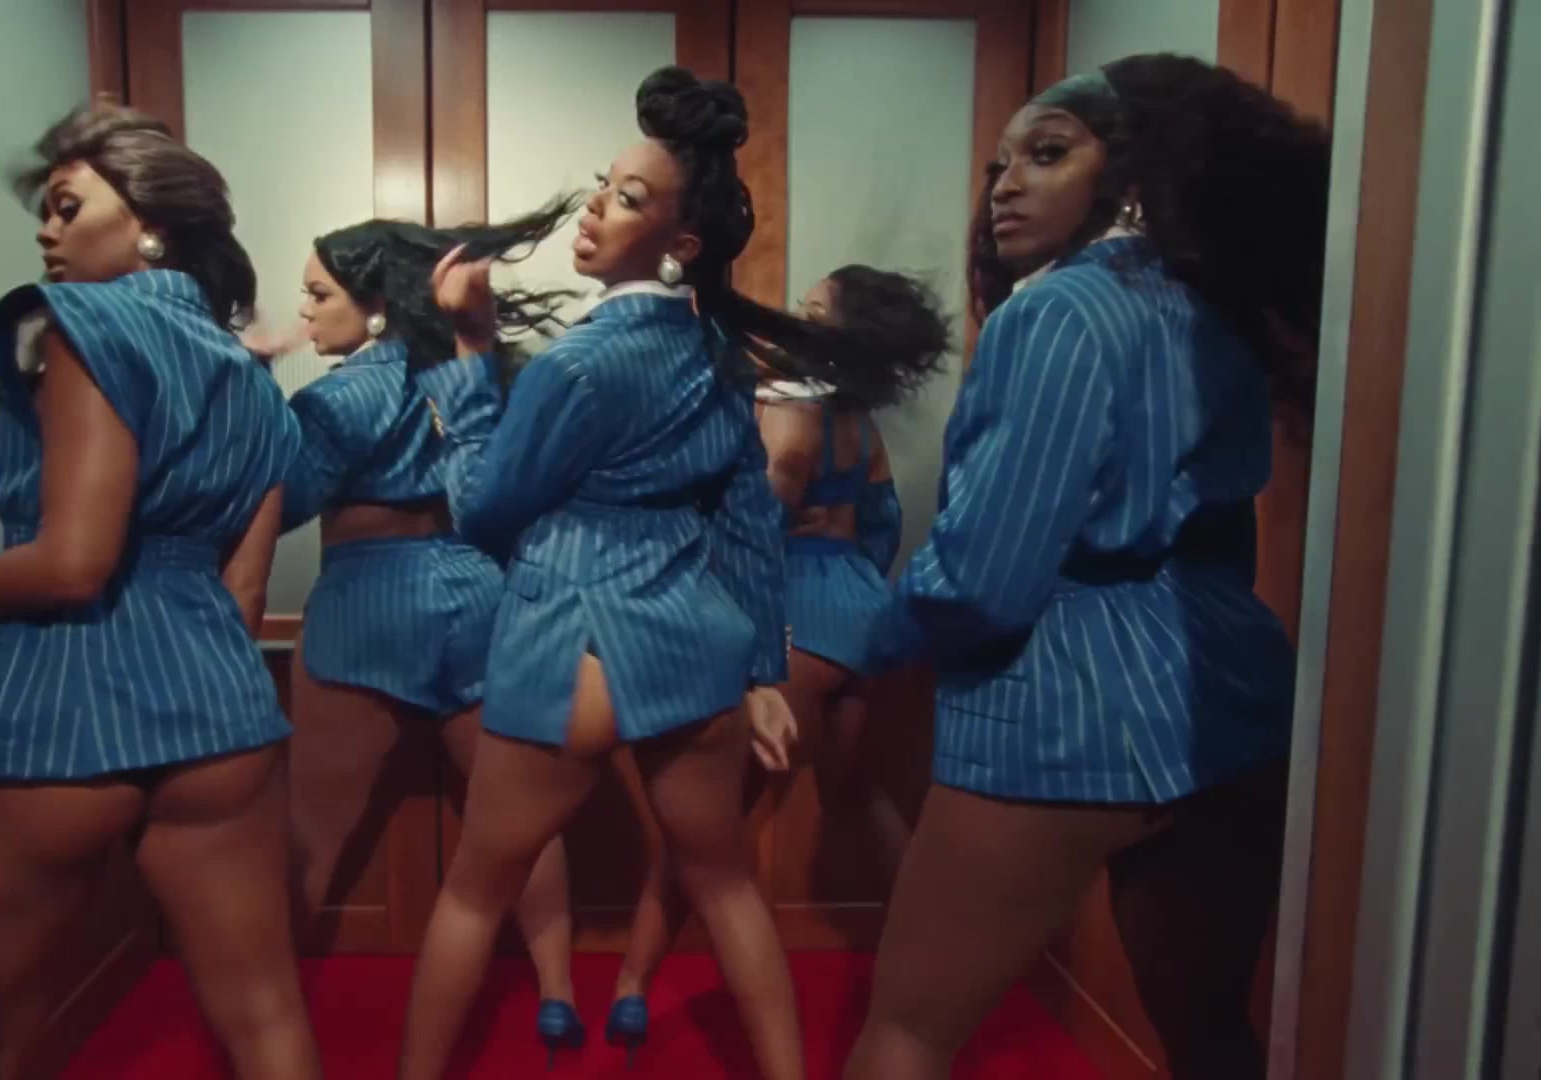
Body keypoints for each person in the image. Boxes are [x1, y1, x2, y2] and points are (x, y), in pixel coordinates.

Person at [396, 66, 907, 1080]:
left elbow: (486, 508)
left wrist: (467, 353)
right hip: (692, 639)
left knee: (474, 892)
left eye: (627, 197)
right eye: (603, 184)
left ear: (681, 244)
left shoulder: (575, 364)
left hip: (568, 632)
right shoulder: (720, 356)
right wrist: (761, 670)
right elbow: (748, 514)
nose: (594, 207)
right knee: (727, 888)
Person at [843, 54, 1328, 1080]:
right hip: (1229, 697)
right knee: (1209, 1033)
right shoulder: (1209, 307)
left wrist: (878, 636)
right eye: (1000, 165)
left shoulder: (1057, 312)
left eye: (1048, 153)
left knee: (909, 1033)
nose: (1007, 185)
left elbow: (987, 577)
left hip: (1056, 708)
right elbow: (1223, 534)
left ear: (1133, 173)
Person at [0, 104, 319, 1080]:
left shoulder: (85, 326)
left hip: (58, 698)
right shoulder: (252, 378)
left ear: (150, 224)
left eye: (67, 207)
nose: (46, 231)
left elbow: (75, 563)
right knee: (266, 1014)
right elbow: (244, 591)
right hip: (217, 705)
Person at [279, 203, 591, 1061]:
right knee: (515, 818)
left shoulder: (336, 398)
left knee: (312, 830)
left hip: (367, 608)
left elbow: (285, 502)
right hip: (476, 592)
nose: (305, 310)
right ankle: (558, 992)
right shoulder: (479, 375)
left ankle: (271, 1002)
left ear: (375, 305)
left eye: (318, 294)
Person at [611, 265, 950, 1025]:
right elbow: (883, 528)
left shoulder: (791, 411)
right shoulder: (861, 423)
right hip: (868, 618)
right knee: (863, 797)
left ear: (836, 329)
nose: (794, 314)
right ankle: (931, 968)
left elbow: (759, 523)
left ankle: (632, 987)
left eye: (811, 307)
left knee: (705, 824)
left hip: (798, 615)